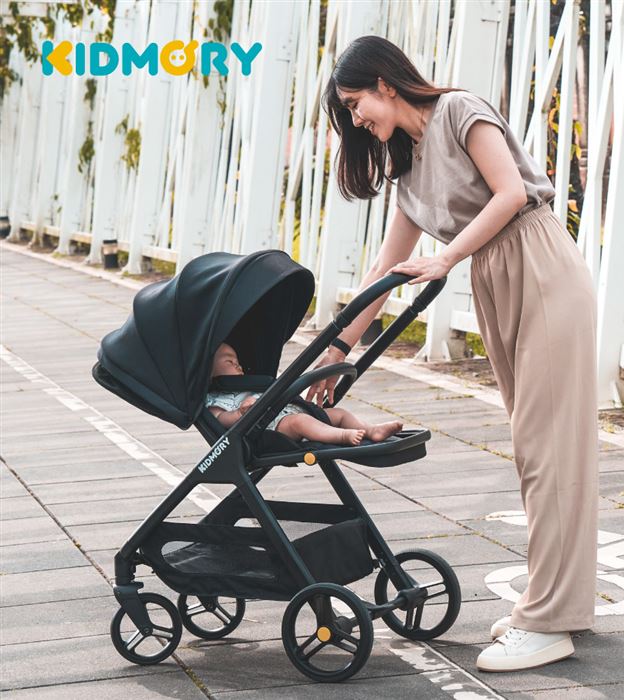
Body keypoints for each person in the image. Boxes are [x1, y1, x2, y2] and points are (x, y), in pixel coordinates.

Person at [305, 35, 599, 672]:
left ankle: (549, 621)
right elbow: (384, 271)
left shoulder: (460, 110)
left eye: (356, 104)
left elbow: (510, 193)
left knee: (547, 448)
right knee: (537, 449)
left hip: (540, 264)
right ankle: (561, 604)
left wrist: (445, 257)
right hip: (496, 278)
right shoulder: (408, 172)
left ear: (385, 83)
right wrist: (335, 351)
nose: (357, 119)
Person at [207, 342, 403, 445]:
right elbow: (219, 418)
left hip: (289, 410)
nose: (238, 365)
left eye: (238, 362)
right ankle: (342, 435)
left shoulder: (252, 384)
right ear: (209, 372)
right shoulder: (216, 399)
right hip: (271, 428)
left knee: (339, 414)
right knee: (301, 422)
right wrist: (239, 414)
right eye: (229, 362)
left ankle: (371, 430)